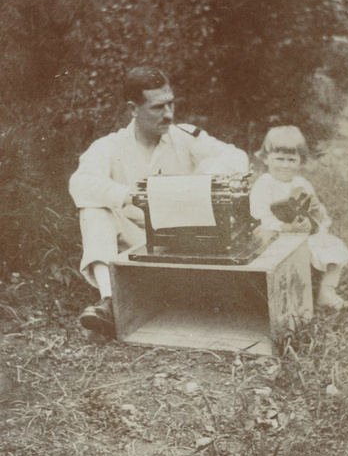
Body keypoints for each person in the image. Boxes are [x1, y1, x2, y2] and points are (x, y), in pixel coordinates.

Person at [69, 66, 249, 337]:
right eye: (157, 107)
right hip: (138, 243)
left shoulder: (185, 136)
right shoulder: (109, 146)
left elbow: (238, 157)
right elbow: (80, 183)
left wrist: (202, 180)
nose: (169, 115)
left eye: (171, 103)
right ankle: (109, 303)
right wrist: (133, 196)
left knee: (214, 161)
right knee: (93, 209)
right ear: (133, 108)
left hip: (186, 242)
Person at [249, 125, 348, 311]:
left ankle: (326, 291)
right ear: (265, 159)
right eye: (279, 159)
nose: (285, 165)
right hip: (275, 236)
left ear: (301, 161)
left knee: (332, 244)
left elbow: (317, 215)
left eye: (291, 159)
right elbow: (259, 216)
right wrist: (287, 228)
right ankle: (286, 293)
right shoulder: (264, 184)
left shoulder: (302, 183)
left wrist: (314, 216)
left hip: (301, 234)